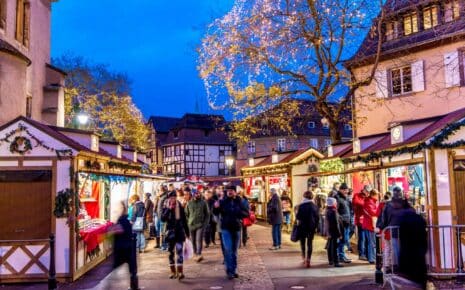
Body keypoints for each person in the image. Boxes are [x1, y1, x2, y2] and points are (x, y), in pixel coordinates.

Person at [213, 185, 249, 280]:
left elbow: (246, 213)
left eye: (231, 190)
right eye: (228, 190)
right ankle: (229, 271)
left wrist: (238, 213)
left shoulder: (240, 201)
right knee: (228, 249)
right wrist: (216, 207)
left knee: (234, 250)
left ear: (235, 192)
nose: (229, 192)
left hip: (236, 228)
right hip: (226, 228)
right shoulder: (223, 201)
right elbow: (216, 213)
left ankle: (234, 269)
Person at [161, 191, 190, 280]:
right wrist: (169, 209)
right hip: (169, 233)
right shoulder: (165, 206)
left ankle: (180, 272)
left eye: (174, 197)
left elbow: (184, 220)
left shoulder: (180, 206)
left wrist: (187, 233)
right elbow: (162, 219)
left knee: (179, 252)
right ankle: (173, 272)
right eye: (171, 198)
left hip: (179, 232)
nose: (173, 199)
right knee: (170, 253)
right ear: (168, 198)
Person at [111, 202, 136, 285]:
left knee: (117, 267)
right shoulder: (124, 220)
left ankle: (134, 284)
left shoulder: (122, 221)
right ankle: (134, 285)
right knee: (132, 269)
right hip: (127, 247)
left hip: (123, 248)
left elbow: (121, 231)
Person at [296, 191, 319, 268]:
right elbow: (317, 218)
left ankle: (303, 258)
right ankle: (308, 259)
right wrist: (316, 227)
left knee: (302, 242)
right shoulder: (314, 206)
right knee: (310, 243)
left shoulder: (301, 206)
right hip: (311, 227)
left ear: (304, 197)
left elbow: (298, 217)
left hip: (302, 226)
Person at [185, 187, 210, 262]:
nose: (197, 194)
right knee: (193, 240)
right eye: (196, 193)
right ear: (193, 194)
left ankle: (199, 254)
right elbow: (186, 215)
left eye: (198, 193)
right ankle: (195, 253)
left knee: (199, 240)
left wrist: (205, 224)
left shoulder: (203, 202)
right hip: (191, 225)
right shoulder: (189, 203)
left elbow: (207, 214)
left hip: (200, 225)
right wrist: (187, 223)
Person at [334, 183, 352, 263]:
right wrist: (339, 220)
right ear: (340, 190)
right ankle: (340, 255)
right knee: (342, 240)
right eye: (344, 190)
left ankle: (342, 255)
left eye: (347, 190)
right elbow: (336, 211)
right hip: (342, 223)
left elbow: (348, 209)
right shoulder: (337, 198)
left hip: (347, 222)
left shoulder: (346, 198)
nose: (346, 191)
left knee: (345, 240)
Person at [352, 185, 371, 260]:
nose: (367, 193)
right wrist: (366, 204)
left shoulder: (368, 197)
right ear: (363, 190)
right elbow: (356, 203)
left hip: (367, 221)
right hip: (360, 220)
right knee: (362, 238)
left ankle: (367, 254)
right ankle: (361, 254)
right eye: (366, 191)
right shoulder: (357, 195)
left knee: (367, 238)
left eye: (368, 191)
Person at [362, 189, 379, 264]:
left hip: (368, 224)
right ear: (373, 195)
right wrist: (380, 210)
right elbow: (373, 212)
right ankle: (372, 258)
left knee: (371, 242)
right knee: (372, 242)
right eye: (377, 195)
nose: (378, 196)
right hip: (370, 225)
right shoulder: (369, 202)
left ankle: (371, 257)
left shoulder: (370, 201)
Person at [326, 197, 343, 267]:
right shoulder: (333, 211)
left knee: (330, 246)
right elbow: (336, 224)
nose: (336, 203)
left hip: (330, 231)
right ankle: (336, 262)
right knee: (334, 247)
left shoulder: (328, 210)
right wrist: (339, 234)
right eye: (335, 202)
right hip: (334, 232)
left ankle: (331, 260)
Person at [156, 185, 170, 251]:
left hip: (163, 217)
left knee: (164, 232)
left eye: (158, 190)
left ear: (162, 191)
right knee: (163, 232)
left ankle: (165, 246)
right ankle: (164, 245)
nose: (158, 192)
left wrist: (163, 216)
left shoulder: (165, 197)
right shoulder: (161, 197)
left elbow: (166, 208)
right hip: (160, 216)